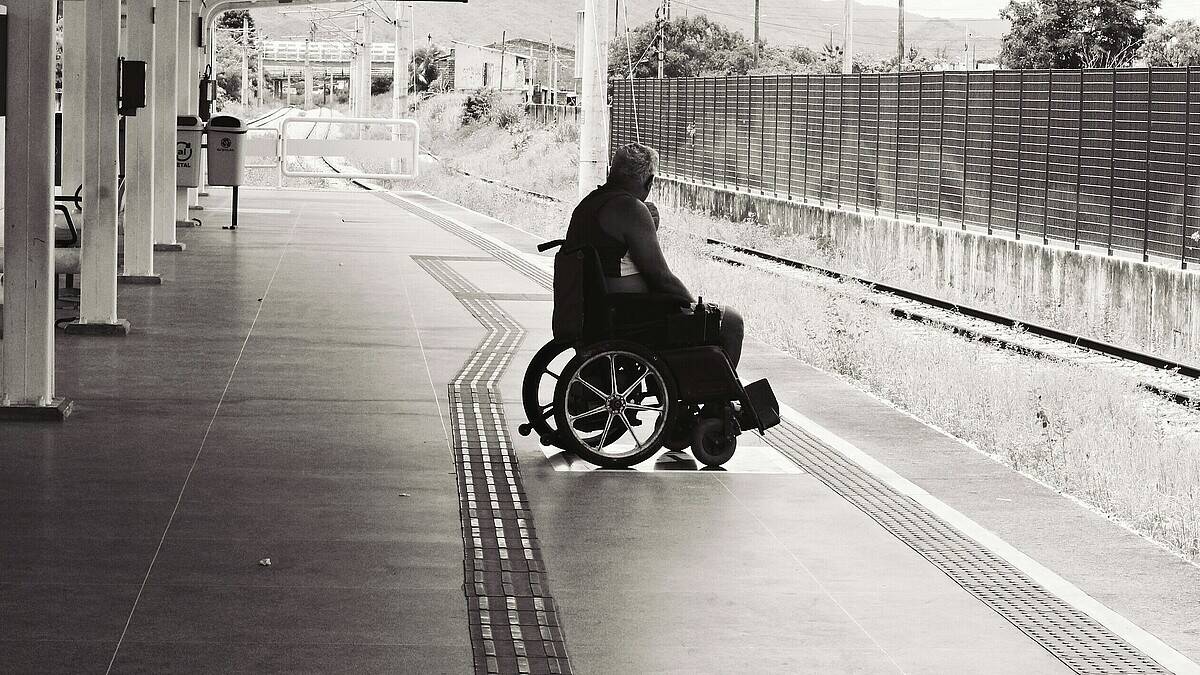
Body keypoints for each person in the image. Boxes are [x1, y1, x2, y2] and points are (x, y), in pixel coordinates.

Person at [563, 142, 744, 367]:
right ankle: (717, 398)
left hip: (591, 310)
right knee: (731, 321)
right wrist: (693, 306)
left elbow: (617, 254)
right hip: (628, 315)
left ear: (612, 171)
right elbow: (660, 276)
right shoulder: (631, 209)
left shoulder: (588, 204)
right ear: (649, 181)